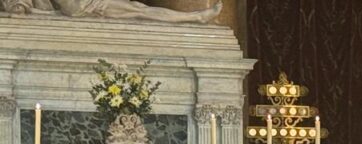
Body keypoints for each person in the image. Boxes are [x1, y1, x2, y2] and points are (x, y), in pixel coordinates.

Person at [2, 0, 223, 22]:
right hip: (87, 8)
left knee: (140, 10)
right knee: (140, 10)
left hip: (90, 7)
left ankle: (195, 16)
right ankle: (196, 16)